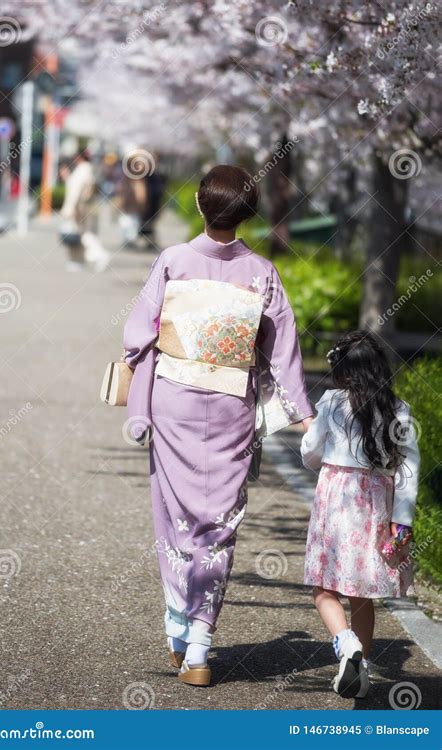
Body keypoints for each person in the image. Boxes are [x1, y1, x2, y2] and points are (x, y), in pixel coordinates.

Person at [122, 165, 313, 686]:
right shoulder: (261, 272)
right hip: (230, 403)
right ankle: (201, 645)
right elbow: (283, 349)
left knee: (174, 514)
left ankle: (177, 627)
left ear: (204, 209)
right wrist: (303, 410)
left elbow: (139, 336)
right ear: (247, 214)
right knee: (219, 523)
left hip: (174, 401)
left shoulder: (174, 260)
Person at [301, 331, 419, 699]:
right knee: (362, 595)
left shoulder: (333, 402)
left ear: (344, 373)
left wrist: (318, 453)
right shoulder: (399, 410)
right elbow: (408, 469)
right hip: (376, 508)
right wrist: (402, 520)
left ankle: (344, 642)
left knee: (324, 588)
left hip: (336, 500)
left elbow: (310, 452)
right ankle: (361, 670)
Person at [60, 150, 111, 272]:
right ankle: (78, 261)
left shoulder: (82, 170)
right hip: (88, 207)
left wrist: (69, 209)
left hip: (80, 208)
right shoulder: (89, 169)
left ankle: (99, 255)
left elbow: (75, 191)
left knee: (85, 235)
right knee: (83, 234)